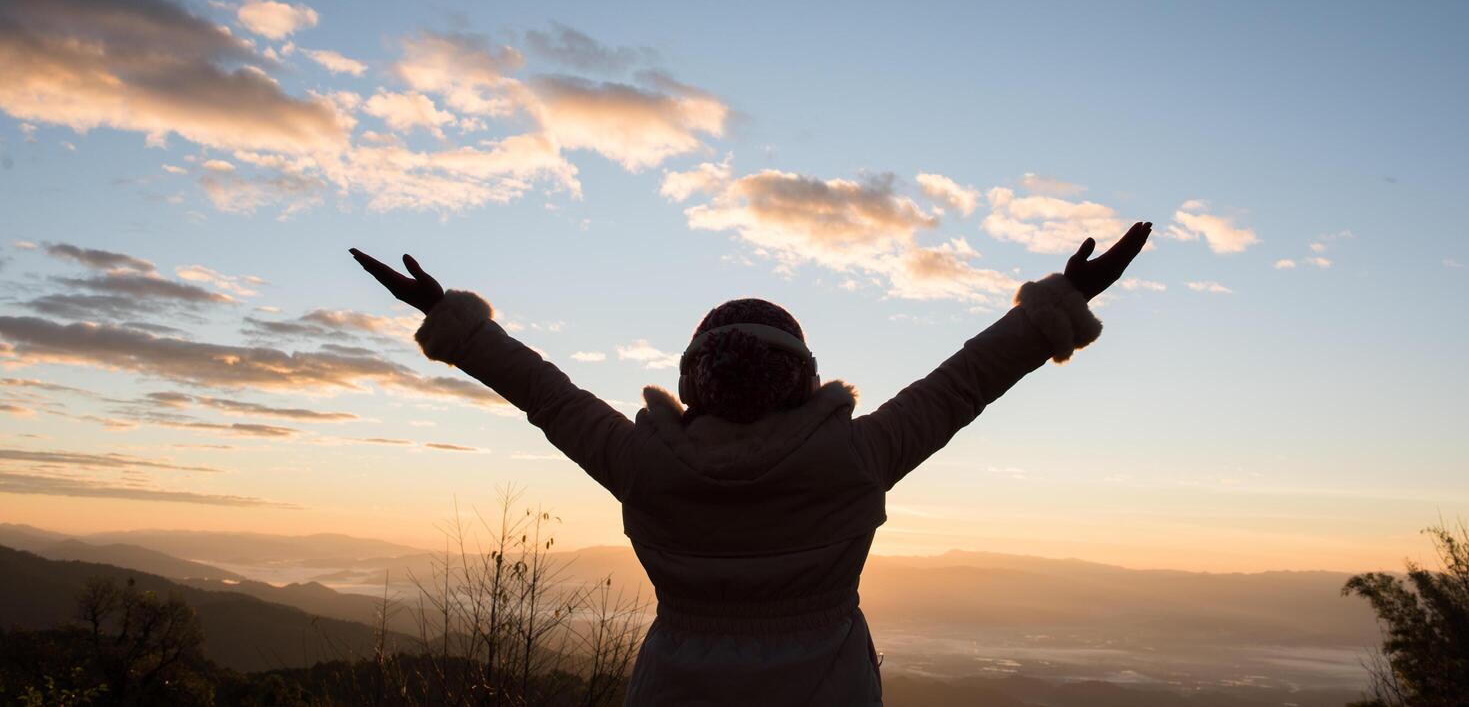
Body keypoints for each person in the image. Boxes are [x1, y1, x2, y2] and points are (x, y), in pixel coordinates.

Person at [351, 220, 1152, 705]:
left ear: (690, 381)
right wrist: (1064, 298)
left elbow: (543, 393)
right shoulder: (854, 456)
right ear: (801, 379)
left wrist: (445, 317)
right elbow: (965, 383)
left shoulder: (644, 462)